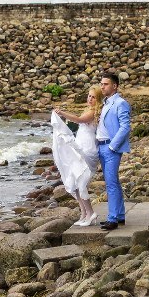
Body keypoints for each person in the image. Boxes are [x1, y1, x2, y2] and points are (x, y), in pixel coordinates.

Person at [50, 85, 100, 226]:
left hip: (87, 149)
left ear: (98, 99)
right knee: (75, 180)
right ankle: (84, 212)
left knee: (81, 181)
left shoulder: (93, 112)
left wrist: (63, 114)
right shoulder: (89, 110)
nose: (90, 99)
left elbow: (79, 120)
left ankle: (91, 213)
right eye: (89, 96)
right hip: (81, 146)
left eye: (93, 97)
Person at [95, 70, 132, 230]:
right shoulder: (106, 102)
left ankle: (112, 219)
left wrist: (112, 146)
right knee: (114, 182)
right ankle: (120, 215)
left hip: (111, 147)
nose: (102, 87)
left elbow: (125, 127)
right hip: (102, 146)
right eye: (101, 84)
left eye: (105, 84)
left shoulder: (120, 103)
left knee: (110, 183)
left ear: (115, 86)